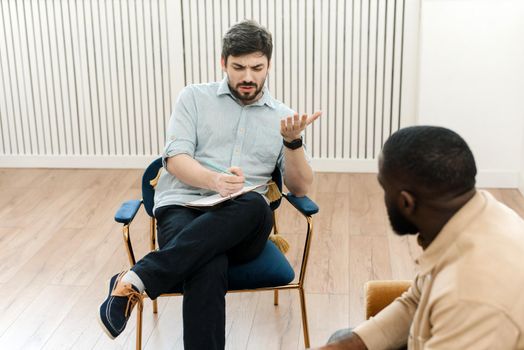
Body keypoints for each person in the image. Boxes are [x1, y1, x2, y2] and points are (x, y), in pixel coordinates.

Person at [98, 20, 320, 350]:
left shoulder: (283, 117)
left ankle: (137, 278)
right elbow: (174, 159)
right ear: (223, 63)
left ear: (269, 65)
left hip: (244, 221)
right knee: (208, 262)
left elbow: (300, 188)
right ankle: (140, 280)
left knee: (256, 205)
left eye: (257, 68)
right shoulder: (193, 98)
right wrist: (214, 180)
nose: (248, 77)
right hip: (182, 207)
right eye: (238, 67)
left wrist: (293, 142)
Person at [317, 126, 524, 350]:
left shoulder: (471, 295)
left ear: (406, 202)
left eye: (384, 189)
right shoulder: (482, 212)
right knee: (342, 338)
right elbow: (415, 302)